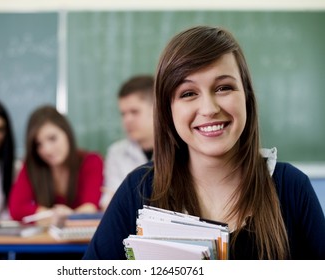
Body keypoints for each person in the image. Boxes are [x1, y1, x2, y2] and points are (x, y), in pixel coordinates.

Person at [83, 25, 325, 259]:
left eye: (223, 88)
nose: (209, 109)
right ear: (168, 110)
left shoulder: (292, 187)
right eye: (188, 93)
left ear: (247, 98)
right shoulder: (139, 189)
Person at [8, 105, 104, 224]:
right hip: (46, 240)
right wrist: (53, 215)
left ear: (67, 133)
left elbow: (90, 209)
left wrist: (58, 217)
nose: (47, 150)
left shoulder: (91, 161)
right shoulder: (33, 165)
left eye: (52, 138)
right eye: (39, 144)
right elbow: (16, 209)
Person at [100, 75, 155, 210]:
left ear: (157, 110)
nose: (127, 120)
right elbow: (109, 202)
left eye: (134, 112)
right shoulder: (116, 152)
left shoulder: (181, 148)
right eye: (123, 114)